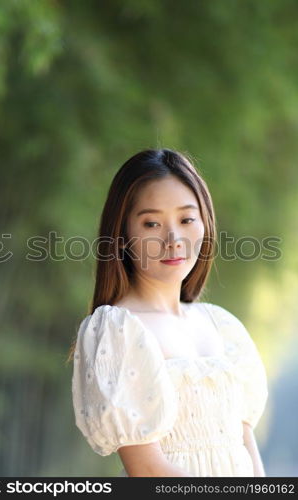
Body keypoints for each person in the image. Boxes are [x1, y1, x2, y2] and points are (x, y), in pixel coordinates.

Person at [67, 148, 268, 477]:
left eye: (186, 219)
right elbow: (146, 469)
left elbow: (247, 448)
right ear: (121, 236)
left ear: (205, 224)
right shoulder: (118, 329)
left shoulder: (222, 325)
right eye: (152, 223)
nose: (173, 239)